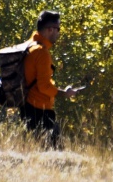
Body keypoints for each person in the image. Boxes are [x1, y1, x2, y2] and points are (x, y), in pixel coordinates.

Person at [22, 10, 79, 143]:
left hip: (26, 106)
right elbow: (44, 86)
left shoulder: (29, 45)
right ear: (50, 30)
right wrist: (63, 93)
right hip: (40, 110)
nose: (59, 33)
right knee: (53, 153)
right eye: (58, 29)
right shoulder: (41, 53)